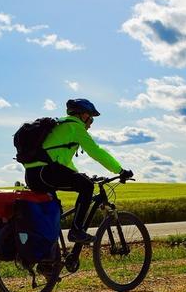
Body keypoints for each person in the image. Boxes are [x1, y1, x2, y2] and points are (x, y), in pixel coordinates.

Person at [24, 98, 133, 243]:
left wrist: (78, 174)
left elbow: (61, 160)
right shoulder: (76, 127)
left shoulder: (58, 125)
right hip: (47, 172)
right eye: (91, 119)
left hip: (32, 174)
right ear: (83, 115)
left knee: (52, 212)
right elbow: (96, 152)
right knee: (87, 186)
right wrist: (120, 170)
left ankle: (50, 260)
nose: (90, 124)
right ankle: (76, 231)